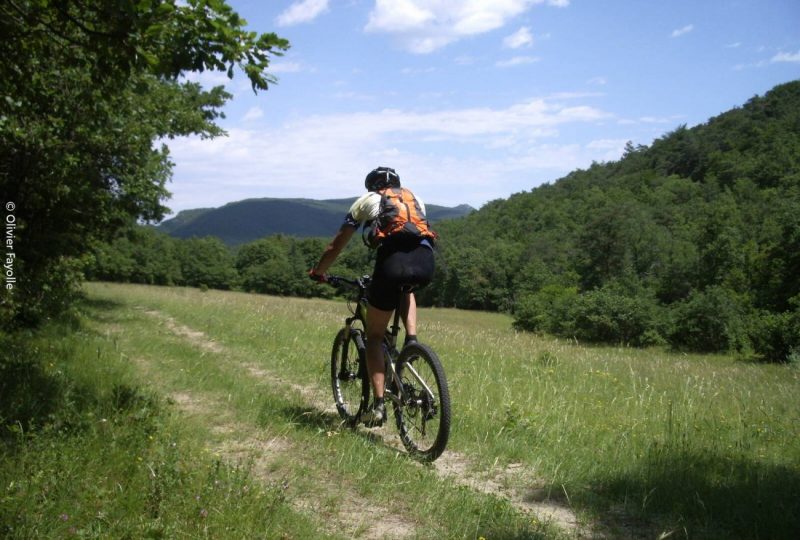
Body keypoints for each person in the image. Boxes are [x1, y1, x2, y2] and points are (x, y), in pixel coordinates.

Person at [309, 167, 436, 426]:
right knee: (407, 287)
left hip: (392, 263)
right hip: (426, 262)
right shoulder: (415, 199)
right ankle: (411, 341)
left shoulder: (368, 200)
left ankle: (378, 408)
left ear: (372, 186)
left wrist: (319, 271)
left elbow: (338, 243)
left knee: (375, 338)